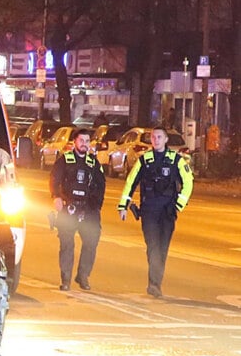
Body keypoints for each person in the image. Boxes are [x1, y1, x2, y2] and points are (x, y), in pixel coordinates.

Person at [117, 126, 193, 298]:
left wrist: (178, 205)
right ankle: (153, 284)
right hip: (149, 210)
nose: (156, 140)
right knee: (153, 246)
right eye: (153, 137)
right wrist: (123, 206)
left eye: (159, 137)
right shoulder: (144, 160)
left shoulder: (176, 160)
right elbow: (131, 182)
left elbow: (188, 182)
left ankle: (156, 282)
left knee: (162, 248)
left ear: (166, 140)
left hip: (167, 211)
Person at [49, 128, 105, 291]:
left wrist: (96, 206)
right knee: (67, 244)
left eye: (87, 141)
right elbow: (54, 179)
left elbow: (101, 185)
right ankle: (65, 279)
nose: (84, 144)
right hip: (69, 208)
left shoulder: (94, 163)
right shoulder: (65, 160)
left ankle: (83, 276)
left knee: (91, 241)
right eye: (81, 141)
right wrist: (56, 197)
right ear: (75, 142)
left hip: (88, 209)